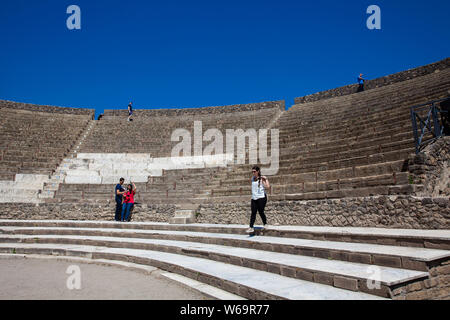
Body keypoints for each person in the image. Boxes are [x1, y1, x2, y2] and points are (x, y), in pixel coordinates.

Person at [246, 166, 270, 233]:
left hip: (261, 198)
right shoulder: (252, 179)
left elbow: (267, 187)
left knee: (261, 211)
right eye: (252, 172)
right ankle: (251, 227)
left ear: (258, 171)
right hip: (254, 198)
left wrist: (266, 179)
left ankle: (265, 224)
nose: (253, 173)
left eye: (254, 171)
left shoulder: (262, 179)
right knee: (253, 212)